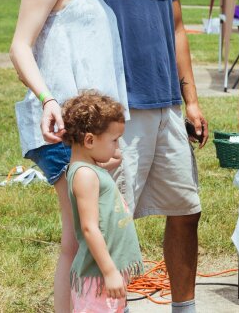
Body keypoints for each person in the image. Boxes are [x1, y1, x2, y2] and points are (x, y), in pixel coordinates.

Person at [10, 0, 141, 313]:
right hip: (63, 129)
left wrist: (109, 142)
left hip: (89, 135)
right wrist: (48, 98)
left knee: (87, 235)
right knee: (80, 237)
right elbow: (20, 46)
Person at [98, 0, 208, 313]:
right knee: (109, 220)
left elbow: (178, 27)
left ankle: (184, 308)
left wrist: (192, 99)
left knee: (186, 209)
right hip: (117, 108)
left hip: (165, 104)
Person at [63, 91, 143, 313]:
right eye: (114, 140)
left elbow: (97, 176)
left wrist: (108, 161)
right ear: (89, 140)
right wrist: (109, 272)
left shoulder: (89, 169)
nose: (117, 147)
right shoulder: (85, 175)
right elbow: (89, 228)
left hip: (105, 273)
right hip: (99, 276)